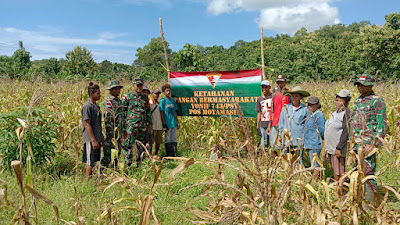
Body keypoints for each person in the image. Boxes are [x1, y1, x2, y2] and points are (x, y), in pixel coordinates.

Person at [350, 74, 387, 204]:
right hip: (356, 144)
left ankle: (370, 202)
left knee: (368, 172)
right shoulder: (358, 101)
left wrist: (374, 144)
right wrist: (352, 141)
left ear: (370, 85)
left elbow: (382, 125)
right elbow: (354, 122)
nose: (359, 87)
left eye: (362, 85)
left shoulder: (377, 101)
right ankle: (358, 198)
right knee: (356, 171)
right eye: (358, 85)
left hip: (368, 144)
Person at [325, 89, 351, 195]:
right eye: (337, 100)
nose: (338, 103)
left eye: (341, 101)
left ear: (347, 102)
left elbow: (346, 131)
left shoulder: (347, 113)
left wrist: (339, 147)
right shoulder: (335, 112)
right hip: (331, 146)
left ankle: (340, 192)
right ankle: (339, 189)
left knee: (339, 171)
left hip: (337, 147)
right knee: (335, 169)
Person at [121, 78, 152, 167]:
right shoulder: (127, 97)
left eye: (141, 85)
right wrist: (123, 127)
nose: (139, 87)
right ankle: (128, 165)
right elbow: (122, 112)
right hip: (131, 126)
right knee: (128, 146)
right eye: (137, 85)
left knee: (141, 146)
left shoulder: (145, 97)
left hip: (142, 126)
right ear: (133, 86)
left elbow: (148, 111)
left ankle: (139, 164)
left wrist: (149, 123)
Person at [278, 86, 309, 162]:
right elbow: (281, 123)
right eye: (293, 96)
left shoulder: (305, 109)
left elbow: (307, 125)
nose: (294, 98)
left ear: (300, 97)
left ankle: (298, 173)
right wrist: (280, 135)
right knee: (286, 160)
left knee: (298, 160)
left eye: (296, 96)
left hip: (298, 140)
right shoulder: (285, 108)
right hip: (286, 140)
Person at [81, 82, 104, 178]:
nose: (100, 95)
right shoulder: (87, 106)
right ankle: (87, 182)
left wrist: (101, 137)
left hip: (97, 137)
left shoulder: (96, 106)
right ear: (91, 94)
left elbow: (98, 124)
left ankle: (91, 179)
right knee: (90, 162)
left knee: (94, 161)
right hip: (90, 139)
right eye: (98, 93)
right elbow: (87, 124)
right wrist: (93, 140)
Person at [102, 80, 124, 168]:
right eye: (116, 89)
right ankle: (103, 170)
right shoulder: (108, 101)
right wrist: (110, 132)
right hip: (111, 132)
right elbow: (107, 117)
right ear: (111, 90)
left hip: (118, 131)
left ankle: (114, 169)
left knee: (117, 151)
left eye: (119, 89)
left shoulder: (119, 101)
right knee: (108, 152)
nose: (118, 91)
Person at [304, 96, 326, 179]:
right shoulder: (310, 114)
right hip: (309, 143)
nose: (309, 106)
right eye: (308, 104)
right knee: (313, 163)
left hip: (315, 143)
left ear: (317, 105)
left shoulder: (319, 115)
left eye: (312, 104)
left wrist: (324, 141)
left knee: (316, 164)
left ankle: (316, 180)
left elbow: (322, 130)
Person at [270, 74, 290, 149]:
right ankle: (275, 160)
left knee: (284, 145)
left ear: (285, 82)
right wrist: (270, 123)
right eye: (278, 82)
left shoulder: (289, 94)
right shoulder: (274, 95)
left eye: (281, 82)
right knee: (274, 146)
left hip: (285, 124)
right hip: (275, 123)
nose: (279, 84)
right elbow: (271, 110)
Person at [159, 83, 180, 157]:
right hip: (167, 123)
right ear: (164, 92)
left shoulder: (172, 100)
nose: (168, 92)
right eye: (167, 91)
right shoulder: (163, 101)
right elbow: (161, 112)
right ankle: (169, 155)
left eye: (169, 90)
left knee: (173, 138)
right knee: (167, 139)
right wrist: (163, 123)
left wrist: (177, 122)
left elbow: (174, 111)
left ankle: (174, 154)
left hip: (173, 122)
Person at [255, 80, 273, 150]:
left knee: (273, 144)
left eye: (266, 87)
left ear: (269, 87)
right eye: (263, 87)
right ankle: (264, 159)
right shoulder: (260, 99)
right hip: (263, 124)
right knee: (263, 144)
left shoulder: (272, 97)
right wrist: (257, 125)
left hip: (272, 124)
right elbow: (259, 112)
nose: (264, 89)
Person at [149, 88, 163, 156]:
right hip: (152, 126)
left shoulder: (159, 104)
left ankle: (156, 155)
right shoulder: (149, 104)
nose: (157, 95)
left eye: (158, 94)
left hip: (159, 126)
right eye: (155, 93)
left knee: (158, 142)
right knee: (151, 142)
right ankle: (150, 155)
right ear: (151, 94)